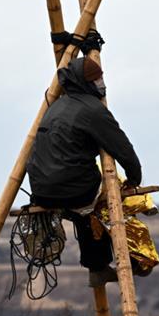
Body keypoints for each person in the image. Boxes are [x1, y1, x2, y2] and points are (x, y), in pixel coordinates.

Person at [26, 56, 141, 287]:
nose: (100, 83)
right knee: (102, 201)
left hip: (40, 188)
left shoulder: (56, 105)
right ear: (87, 82)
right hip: (71, 186)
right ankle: (130, 258)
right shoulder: (92, 110)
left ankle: (97, 266)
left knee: (83, 210)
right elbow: (122, 148)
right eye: (96, 79)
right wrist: (134, 177)